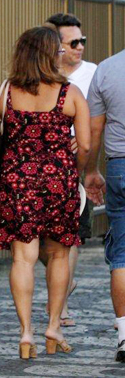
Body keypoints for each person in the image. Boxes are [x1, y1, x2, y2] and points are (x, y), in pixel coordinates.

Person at [0, 26, 90, 359]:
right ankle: (53, 325)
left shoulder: (6, 91)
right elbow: (85, 145)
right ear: (52, 54)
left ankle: (26, 333)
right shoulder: (70, 93)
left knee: (22, 259)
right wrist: (75, 164)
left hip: (17, 182)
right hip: (59, 181)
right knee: (59, 255)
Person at [38, 13, 96, 327]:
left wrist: (85, 150)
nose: (79, 48)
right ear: (55, 46)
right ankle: (63, 283)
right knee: (40, 245)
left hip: (74, 167)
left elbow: (100, 119)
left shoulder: (93, 74)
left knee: (69, 238)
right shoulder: (37, 76)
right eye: (73, 43)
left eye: (82, 41)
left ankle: (60, 307)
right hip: (38, 171)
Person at [84, 47, 125, 362]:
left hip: (119, 168)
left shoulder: (107, 69)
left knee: (122, 254)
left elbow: (94, 130)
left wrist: (91, 170)